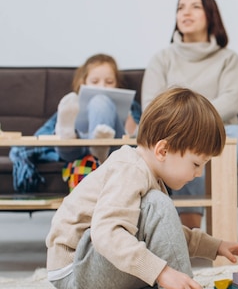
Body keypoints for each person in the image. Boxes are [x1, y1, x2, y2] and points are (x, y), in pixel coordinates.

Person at [46, 87, 238, 289]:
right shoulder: (130, 169)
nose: (199, 174)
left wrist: (215, 246)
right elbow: (107, 232)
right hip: (77, 270)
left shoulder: (151, 177)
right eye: (197, 164)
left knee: (158, 284)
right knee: (162, 268)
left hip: (89, 275)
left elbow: (166, 238)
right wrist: (162, 271)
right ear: (163, 150)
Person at [142, 0, 238, 229]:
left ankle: (192, 232)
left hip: (223, 132)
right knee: (188, 145)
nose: (186, 12)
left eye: (195, 6)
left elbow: (231, 101)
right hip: (176, 137)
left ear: (210, 15)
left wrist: (192, 120)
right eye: (180, 7)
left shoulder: (228, 59)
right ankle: (191, 229)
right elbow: (151, 107)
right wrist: (188, 129)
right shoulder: (162, 59)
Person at [9, 54, 141, 192]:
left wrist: (131, 124)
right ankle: (72, 136)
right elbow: (40, 137)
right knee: (67, 140)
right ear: (83, 84)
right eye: (95, 81)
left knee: (100, 101)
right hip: (76, 152)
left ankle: (99, 144)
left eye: (109, 82)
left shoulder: (131, 106)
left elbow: (142, 141)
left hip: (114, 149)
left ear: (117, 84)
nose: (102, 86)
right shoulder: (72, 105)